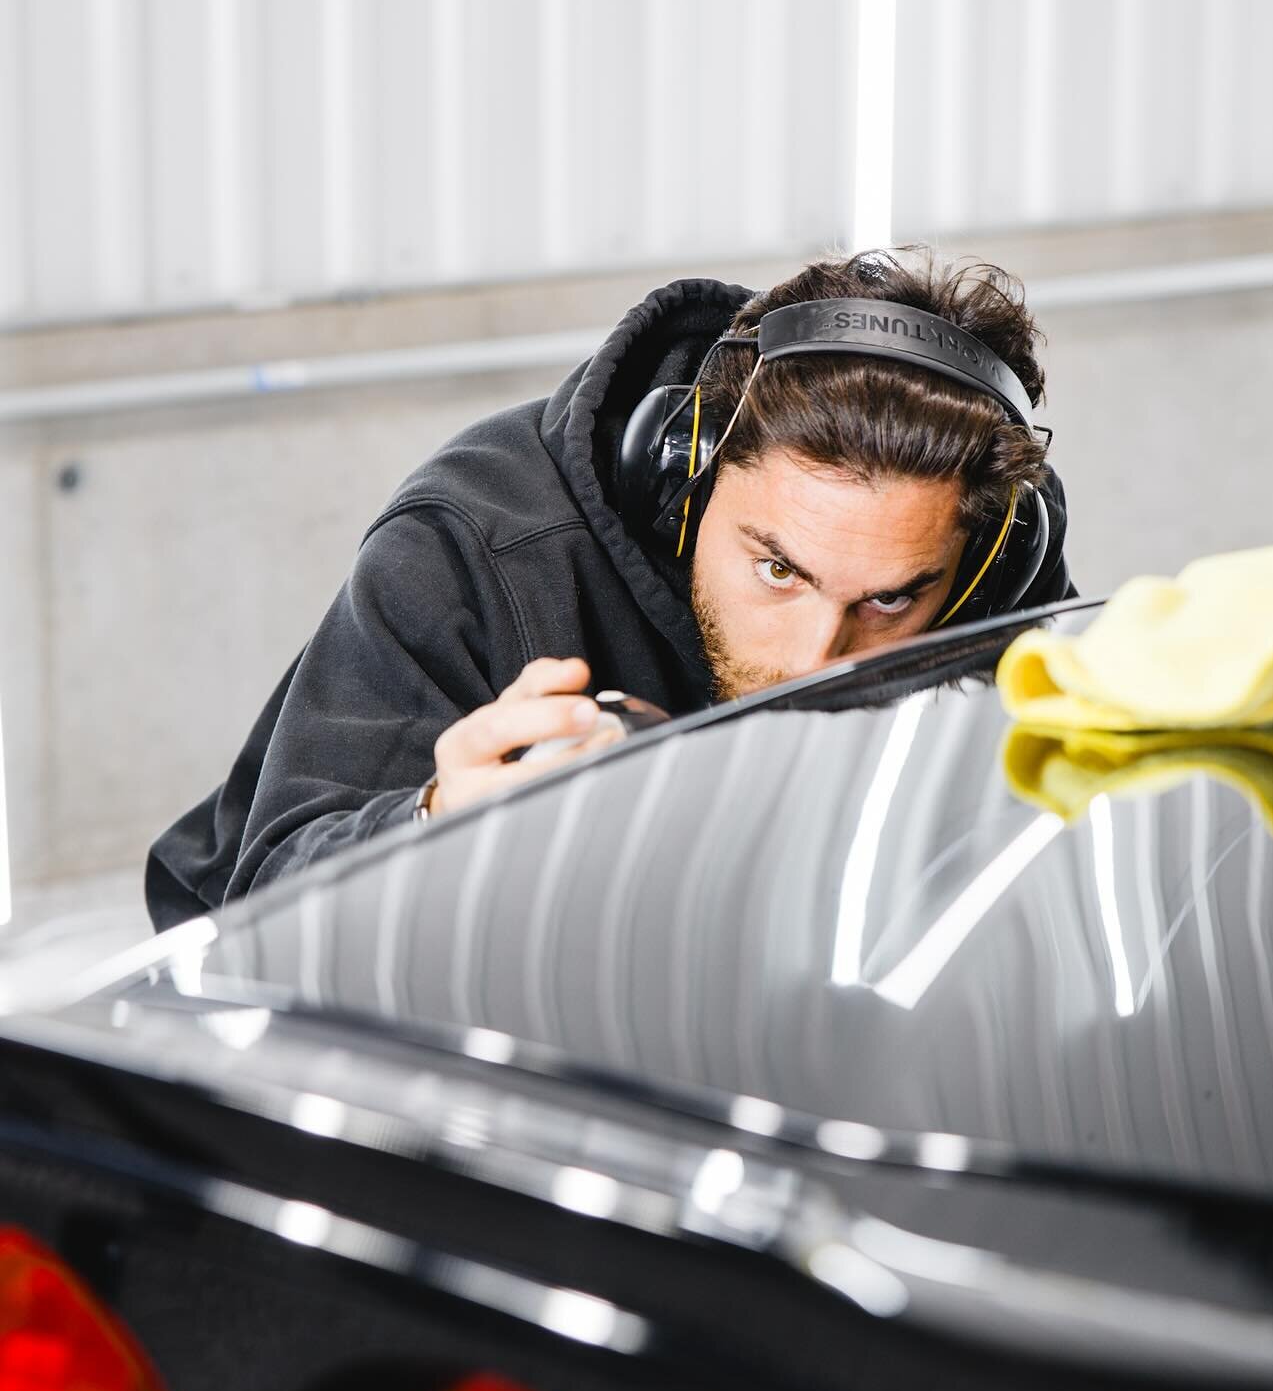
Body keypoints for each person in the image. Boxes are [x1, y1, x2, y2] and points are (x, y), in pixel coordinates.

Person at [144, 246, 1075, 930]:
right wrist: (432, 826)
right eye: (777, 569)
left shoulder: (991, 555)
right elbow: (267, 893)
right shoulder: (478, 541)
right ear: (680, 480)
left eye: (889, 602)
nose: (813, 659)